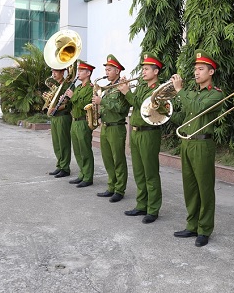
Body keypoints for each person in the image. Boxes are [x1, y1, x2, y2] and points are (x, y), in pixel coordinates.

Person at [170, 49, 224, 247]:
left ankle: (205, 229)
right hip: (186, 142)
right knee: (190, 187)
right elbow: (184, 118)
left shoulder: (216, 95)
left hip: (202, 144)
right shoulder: (191, 93)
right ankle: (192, 225)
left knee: (204, 188)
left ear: (211, 72)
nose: (196, 72)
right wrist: (163, 112)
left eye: (201, 69)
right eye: (195, 69)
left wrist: (179, 91)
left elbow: (197, 109)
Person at [118, 53, 165, 224]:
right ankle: (141, 204)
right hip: (136, 131)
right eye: (143, 68)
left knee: (150, 172)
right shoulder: (143, 86)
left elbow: (144, 105)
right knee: (139, 171)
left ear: (156, 71)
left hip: (149, 133)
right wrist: (126, 90)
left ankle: (153, 209)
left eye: (146, 69)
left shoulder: (158, 89)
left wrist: (127, 92)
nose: (143, 72)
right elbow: (135, 102)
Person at [92, 54, 130, 203]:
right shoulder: (107, 89)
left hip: (116, 128)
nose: (106, 72)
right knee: (107, 159)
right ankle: (111, 186)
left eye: (109, 70)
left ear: (117, 71)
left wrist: (102, 102)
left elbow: (122, 108)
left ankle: (120, 190)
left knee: (118, 159)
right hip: (106, 127)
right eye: (106, 70)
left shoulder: (122, 87)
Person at [66, 60, 96, 187]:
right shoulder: (78, 87)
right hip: (75, 121)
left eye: (81, 71)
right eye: (78, 70)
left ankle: (88, 177)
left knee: (85, 150)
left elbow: (85, 105)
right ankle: (82, 174)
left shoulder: (90, 88)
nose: (78, 73)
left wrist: (72, 96)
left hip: (84, 121)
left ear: (88, 73)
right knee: (77, 150)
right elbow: (73, 104)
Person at [47, 68, 73, 179]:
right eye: (52, 72)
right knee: (56, 143)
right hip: (55, 117)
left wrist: (57, 108)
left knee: (63, 143)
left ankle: (65, 167)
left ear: (62, 73)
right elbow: (53, 101)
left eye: (56, 72)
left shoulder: (68, 85)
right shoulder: (56, 86)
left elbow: (69, 104)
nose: (53, 74)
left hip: (63, 116)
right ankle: (60, 165)